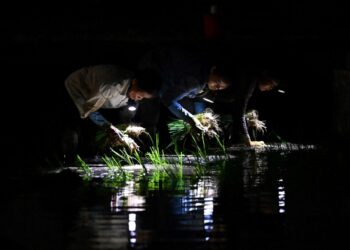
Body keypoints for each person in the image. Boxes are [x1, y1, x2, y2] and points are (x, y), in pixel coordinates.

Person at [62, 64, 161, 159]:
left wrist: (127, 126)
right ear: (134, 82)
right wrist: (110, 128)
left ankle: (89, 152)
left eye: (143, 98)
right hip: (77, 90)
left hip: (99, 99)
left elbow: (125, 115)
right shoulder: (111, 86)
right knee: (75, 127)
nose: (139, 99)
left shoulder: (133, 90)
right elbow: (90, 110)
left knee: (101, 131)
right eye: (139, 96)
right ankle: (68, 160)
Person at [136, 46, 231, 134]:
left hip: (162, 68)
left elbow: (198, 98)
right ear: (213, 70)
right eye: (218, 82)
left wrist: (200, 116)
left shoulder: (205, 75)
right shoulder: (195, 79)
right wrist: (192, 121)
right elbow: (168, 99)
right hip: (150, 69)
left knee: (188, 107)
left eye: (221, 88)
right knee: (151, 109)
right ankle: (147, 134)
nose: (217, 87)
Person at [220, 68, 279, 147]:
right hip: (214, 98)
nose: (270, 88)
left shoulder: (252, 82)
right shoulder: (250, 81)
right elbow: (239, 112)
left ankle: (235, 140)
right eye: (271, 83)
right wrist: (248, 140)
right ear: (264, 76)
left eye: (273, 87)